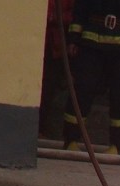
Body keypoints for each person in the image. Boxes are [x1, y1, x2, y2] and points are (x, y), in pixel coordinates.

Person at [62, 0, 120, 155]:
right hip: (91, 42)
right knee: (82, 91)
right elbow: (80, 6)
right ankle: (71, 140)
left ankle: (117, 145)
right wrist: (74, 36)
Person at [38, 0, 74, 139]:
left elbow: (74, 13)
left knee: (49, 88)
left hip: (56, 46)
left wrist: (55, 17)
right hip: (38, 42)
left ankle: (43, 129)